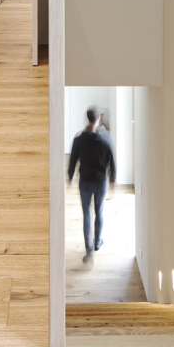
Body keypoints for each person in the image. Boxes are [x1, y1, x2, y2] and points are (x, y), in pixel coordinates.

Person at [68, 104, 117, 261]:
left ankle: (89, 252)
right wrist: (113, 178)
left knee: (87, 214)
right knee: (99, 212)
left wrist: (70, 177)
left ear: (88, 118)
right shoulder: (106, 138)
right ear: (99, 118)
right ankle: (97, 243)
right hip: (101, 182)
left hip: (85, 181)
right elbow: (112, 159)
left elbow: (72, 159)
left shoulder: (79, 139)